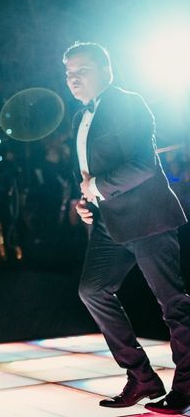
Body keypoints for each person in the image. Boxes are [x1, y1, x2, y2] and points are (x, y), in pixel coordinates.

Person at [65, 41, 190, 414]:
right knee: (92, 290)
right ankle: (142, 379)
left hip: (148, 217)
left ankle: (186, 387)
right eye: (68, 73)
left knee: (173, 305)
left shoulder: (128, 103)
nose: (73, 79)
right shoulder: (78, 118)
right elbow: (88, 174)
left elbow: (144, 165)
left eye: (81, 70)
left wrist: (98, 187)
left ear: (106, 70)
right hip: (109, 222)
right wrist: (85, 201)